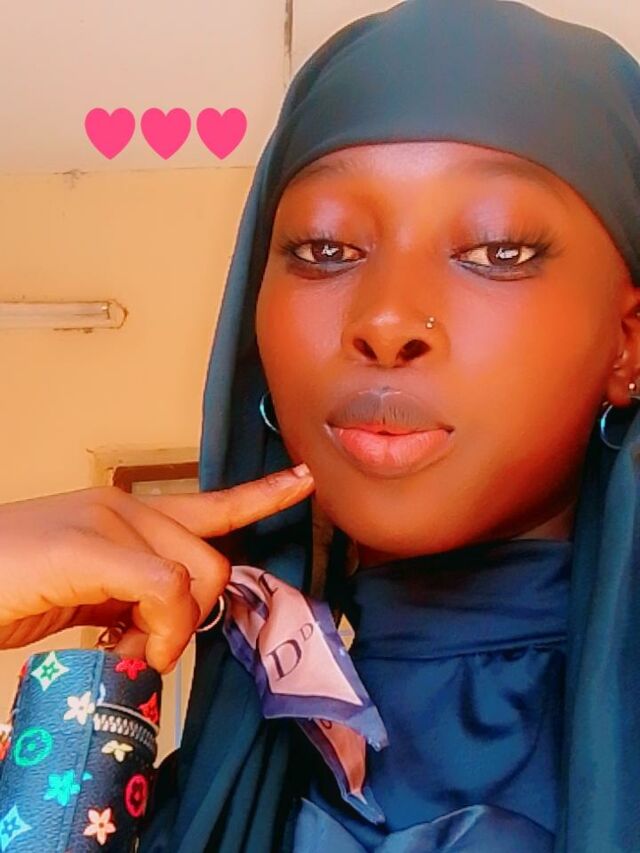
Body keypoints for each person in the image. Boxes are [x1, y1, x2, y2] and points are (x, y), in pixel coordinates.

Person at [1, 0, 639, 850]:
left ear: (629, 341)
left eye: (497, 249)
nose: (385, 318)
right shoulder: (200, 800)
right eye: (326, 248)